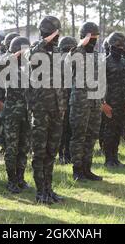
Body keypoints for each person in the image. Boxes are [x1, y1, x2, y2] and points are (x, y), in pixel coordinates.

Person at [26, 16, 66, 205]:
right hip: (41, 110)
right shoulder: (35, 51)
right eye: (54, 33)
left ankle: (49, 189)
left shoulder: (57, 52)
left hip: (56, 110)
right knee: (40, 152)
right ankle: (40, 191)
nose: (57, 37)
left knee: (51, 152)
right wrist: (45, 40)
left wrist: (63, 107)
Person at [0, 36, 31, 194]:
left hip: (26, 114)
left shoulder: (29, 66)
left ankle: (21, 178)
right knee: (11, 148)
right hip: (12, 114)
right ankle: (11, 180)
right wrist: (11, 57)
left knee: (23, 148)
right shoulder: (8, 65)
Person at [68, 22, 103, 181]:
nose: (94, 40)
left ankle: (87, 168)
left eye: (96, 37)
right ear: (84, 38)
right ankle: (77, 171)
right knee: (79, 136)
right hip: (80, 103)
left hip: (95, 102)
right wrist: (82, 43)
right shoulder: (76, 53)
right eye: (91, 37)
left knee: (91, 136)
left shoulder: (96, 55)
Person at [101, 32, 125, 169]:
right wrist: (103, 104)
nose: (120, 48)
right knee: (108, 132)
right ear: (111, 46)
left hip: (122, 103)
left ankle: (115, 158)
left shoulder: (124, 62)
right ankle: (108, 160)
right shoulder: (104, 62)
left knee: (117, 132)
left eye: (121, 45)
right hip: (109, 103)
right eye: (117, 45)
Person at [58, 36, 77, 165]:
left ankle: (65, 155)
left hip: (68, 98)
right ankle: (64, 155)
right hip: (66, 98)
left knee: (66, 129)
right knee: (65, 129)